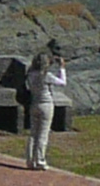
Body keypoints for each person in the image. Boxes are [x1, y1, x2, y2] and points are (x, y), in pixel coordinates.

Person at [25, 40, 70, 169]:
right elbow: (62, 82)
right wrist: (62, 68)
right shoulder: (46, 75)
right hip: (46, 104)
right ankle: (40, 160)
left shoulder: (31, 75)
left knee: (33, 133)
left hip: (34, 103)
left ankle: (30, 160)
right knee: (43, 133)